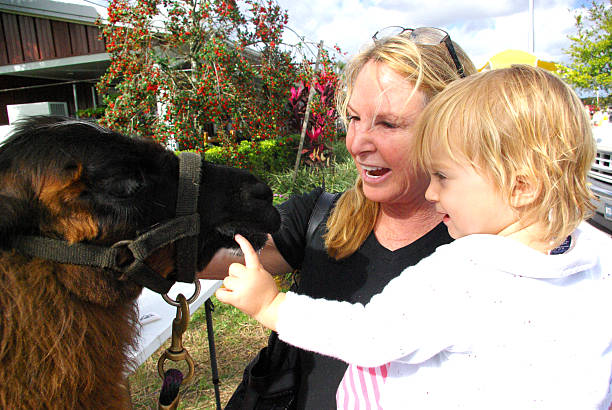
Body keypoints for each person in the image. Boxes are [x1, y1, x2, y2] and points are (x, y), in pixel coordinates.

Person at [216, 65, 612, 409]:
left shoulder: (464, 270)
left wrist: (270, 304)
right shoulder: (597, 256)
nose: (432, 192)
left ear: (521, 187)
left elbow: (369, 335)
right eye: (353, 118)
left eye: (443, 177)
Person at [199, 27, 476, 408]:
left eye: (388, 123)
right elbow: (211, 257)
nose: (357, 143)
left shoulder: (485, 252)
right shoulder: (321, 217)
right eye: (354, 118)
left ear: (453, 128)